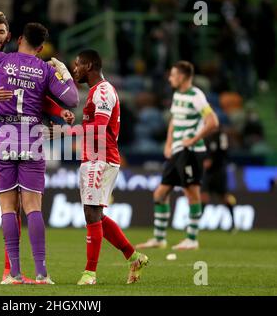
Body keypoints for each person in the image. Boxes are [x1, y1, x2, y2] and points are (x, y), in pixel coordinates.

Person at [0, 12, 79, 284]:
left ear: (11, 37)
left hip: (2, 139)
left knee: (12, 206)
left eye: (1, 32)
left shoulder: (4, 62)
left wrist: (58, 112)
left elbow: (41, 99)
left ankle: (11, 271)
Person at [58, 49, 149, 285]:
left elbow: (98, 130)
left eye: (77, 65)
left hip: (102, 158)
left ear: (89, 66)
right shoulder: (95, 92)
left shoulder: (104, 92)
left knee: (92, 214)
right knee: (96, 214)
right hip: (93, 157)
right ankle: (134, 256)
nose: (75, 69)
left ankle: (90, 274)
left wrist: (65, 132)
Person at [136, 61, 219, 251]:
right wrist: (168, 143)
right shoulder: (178, 95)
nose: (170, 78)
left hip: (191, 152)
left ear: (182, 76)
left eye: (173, 75)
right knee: (160, 194)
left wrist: (194, 139)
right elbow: (174, 120)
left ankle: (192, 239)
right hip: (177, 151)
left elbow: (212, 121)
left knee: (192, 193)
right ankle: (159, 238)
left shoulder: (196, 96)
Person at [201, 127, 237, 232]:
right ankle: (196, 224)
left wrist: (212, 160)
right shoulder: (205, 136)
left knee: (224, 198)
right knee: (204, 196)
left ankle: (233, 223)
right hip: (208, 173)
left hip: (219, 171)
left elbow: (224, 153)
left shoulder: (221, 136)